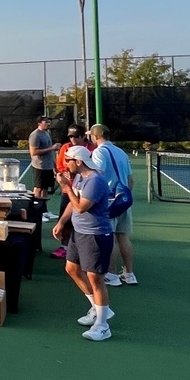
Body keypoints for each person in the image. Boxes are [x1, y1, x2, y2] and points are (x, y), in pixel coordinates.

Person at [51, 145, 114, 342]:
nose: (65, 164)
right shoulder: (79, 177)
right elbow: (72, 203)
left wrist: (66, 187)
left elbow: (80, 206)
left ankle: (103, 325)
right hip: (79, 233)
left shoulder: (95, 181)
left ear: (78, 162)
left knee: (95, 279)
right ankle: (97, 309)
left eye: (68, 160)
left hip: (95, 235)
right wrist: (61, 222)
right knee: (72, 269)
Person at [89, 123, 137, 286]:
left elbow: (98, 177)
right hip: (123, 199)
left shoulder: (99, 152)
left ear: (95, 137)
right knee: (123, 236)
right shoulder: (121, 152)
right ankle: (129, 274)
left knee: (110, 238)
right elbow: (130, 180)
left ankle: (112, 275)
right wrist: (123, 197)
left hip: (109, 201)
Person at [49, 124, 96, 260]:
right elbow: (59, 166)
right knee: (67, 218)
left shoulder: (92, 149)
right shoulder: (65, 147)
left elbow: (92, 167)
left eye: (75, 136)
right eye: (70, 136)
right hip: (69, 189)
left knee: (85, 219)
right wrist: (65, 172)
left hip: (84, 189)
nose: (72, 139)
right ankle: (65, 246)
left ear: (82, 136)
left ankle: (84, 250)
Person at [28, 116, 60, 201]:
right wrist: (52, 148)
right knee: (38, 188)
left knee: (45, 188)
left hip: (48, 166)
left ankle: (43, 209)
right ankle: (35, 208)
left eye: (49, 122)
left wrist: (54, 165)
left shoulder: (46, 133)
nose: (48, 124)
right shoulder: (35, 135)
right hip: (40, 166)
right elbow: (33, 152)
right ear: (39, 124)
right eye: (46, 122)